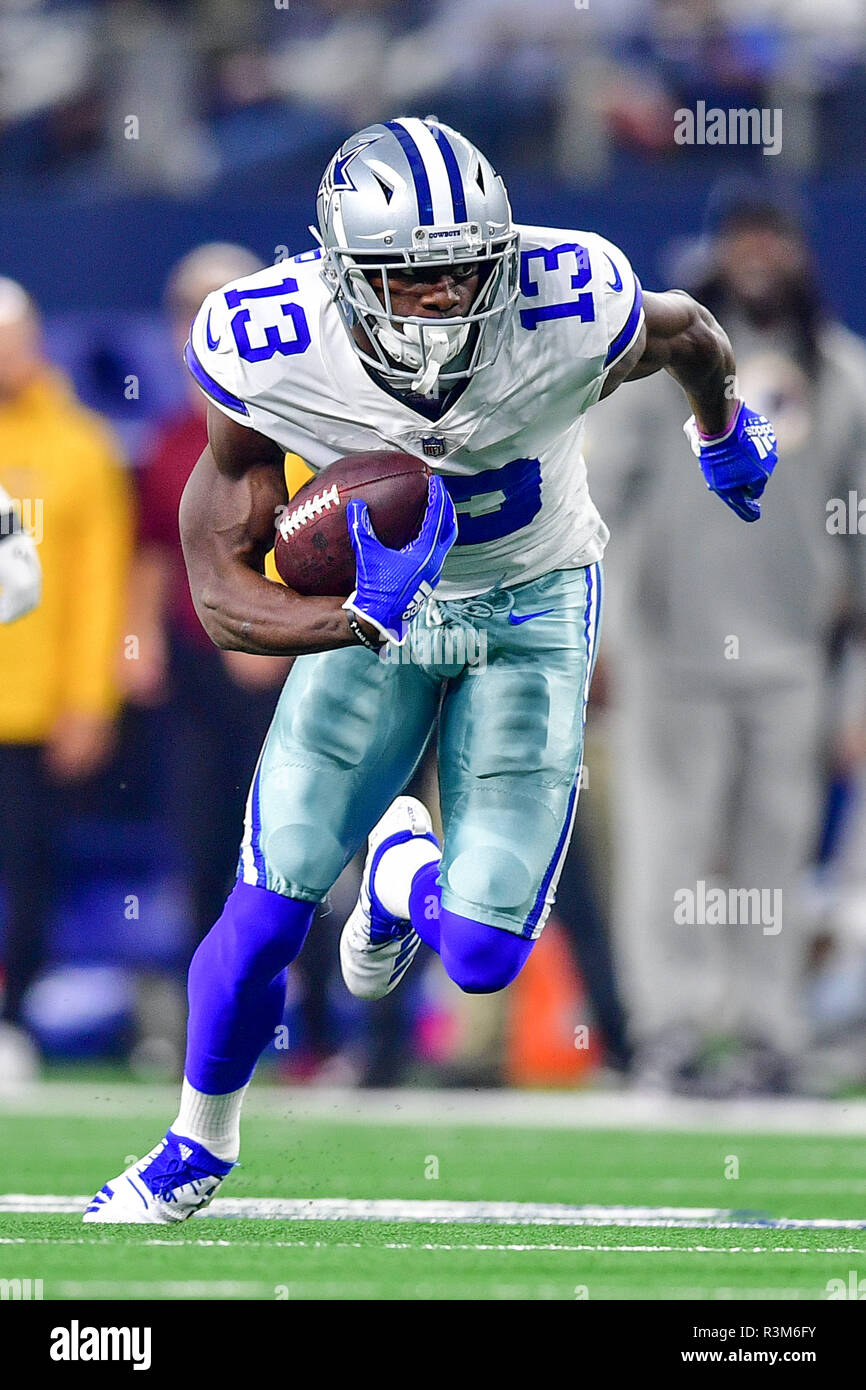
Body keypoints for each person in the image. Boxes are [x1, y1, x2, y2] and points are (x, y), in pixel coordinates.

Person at [84, 116, 777, 1222]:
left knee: (488, 958)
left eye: (464, 272)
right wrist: (360, 617)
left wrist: (719, 429)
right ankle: (193, 1145)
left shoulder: (569, 303)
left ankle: (402, 876)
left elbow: (690, 329)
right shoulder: (268, 345)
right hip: (379, 615)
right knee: (268, 907)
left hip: (534, 600)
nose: (445, 301)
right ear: (342, 273)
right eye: (410, 282)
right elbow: (217, 593)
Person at [588, 187, 866, 1094]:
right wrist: (597, 637)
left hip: (793, 659)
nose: (754, 255)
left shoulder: (843, 374)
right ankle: (669, 1027)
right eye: (739, 238)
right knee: (667, 848)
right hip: (670, 651)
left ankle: (768, 1030)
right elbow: (596, 496)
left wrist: (857, 688)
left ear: (798, 251)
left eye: (771, 238)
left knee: (774, 855)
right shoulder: (656, 363)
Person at [124, 243, 292, 950]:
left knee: (290, 850)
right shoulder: (168, 440)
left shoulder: (297, 427)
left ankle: (312, 1030)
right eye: (189, 309)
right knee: (200, 844)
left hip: (284, 669)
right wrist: (137, 639)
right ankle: (206, 1023)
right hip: (198, 670)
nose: (201, 323)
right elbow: (154, 552)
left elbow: (329, 539)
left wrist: (272, 627)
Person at [0, 277, 131, 1076]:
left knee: (30, 869)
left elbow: (99, 588)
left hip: (34, 708)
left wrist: (89, 700)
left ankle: (12, 1021)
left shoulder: (81, 448)